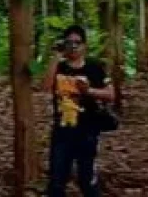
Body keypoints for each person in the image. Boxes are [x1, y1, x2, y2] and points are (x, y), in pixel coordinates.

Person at [41, 25, 114, 197]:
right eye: (69, 42)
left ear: (84, 45)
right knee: (56, 181)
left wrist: (88, 91)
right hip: (62, 131)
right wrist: (56, 56)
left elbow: (110, 95)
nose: (73, 46)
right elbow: (45, 87)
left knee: (86, 180)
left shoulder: (95, 67)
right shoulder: (59, 67)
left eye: (77, 42)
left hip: (87, 131)